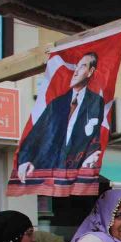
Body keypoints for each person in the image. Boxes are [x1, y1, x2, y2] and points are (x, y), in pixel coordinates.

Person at [17, 51, 105, 182]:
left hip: (76, 172)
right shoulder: (57, 103)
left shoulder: (95, 102)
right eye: (76, 66)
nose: (75, 71)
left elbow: (95, 137)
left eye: (82, 66)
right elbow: (35, 135)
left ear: (90, 71)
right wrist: (24, 160)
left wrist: (92, 155)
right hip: (50, 171)